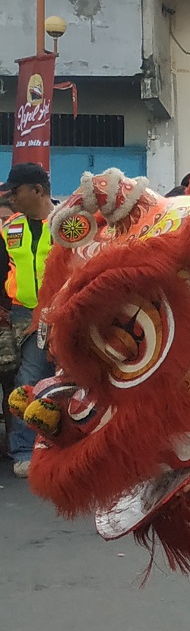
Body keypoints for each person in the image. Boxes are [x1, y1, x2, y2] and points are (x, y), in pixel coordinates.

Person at [2, 163, 54, 477]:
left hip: (60, 312)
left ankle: (34, 447)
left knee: (39, 378)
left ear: (37, 190)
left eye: (16, 191)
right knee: (26, 379)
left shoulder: (69, 223)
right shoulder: (9, 227)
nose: (11, 197)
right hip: (20, 314)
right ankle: (23, 449)